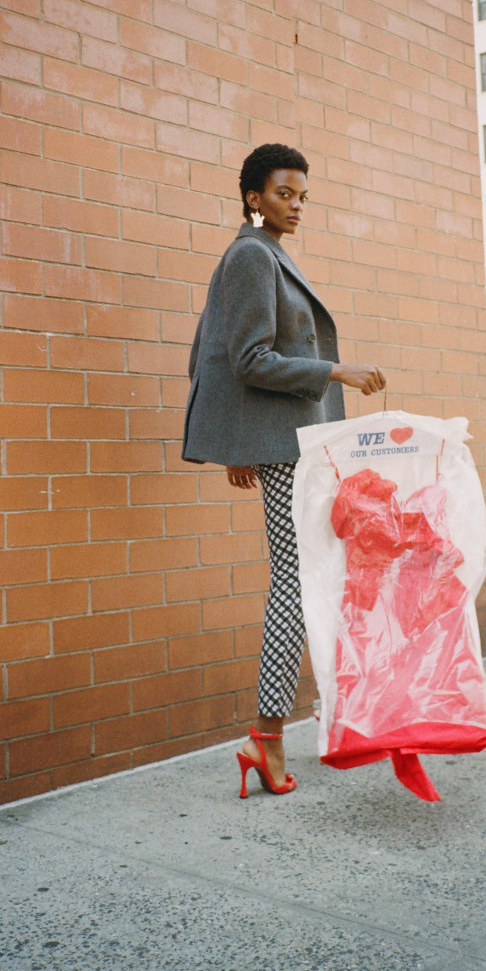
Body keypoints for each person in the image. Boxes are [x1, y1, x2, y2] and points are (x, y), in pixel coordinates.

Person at [182, 144, 386, 797]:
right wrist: (334, 369)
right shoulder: (250, 255)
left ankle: (286, 730)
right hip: (288, 448)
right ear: (252, 196)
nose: (296, 206)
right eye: (283, 194)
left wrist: (238, 440)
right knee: (295, 584)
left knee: (306, 578)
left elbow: (214, 345)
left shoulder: (266, 253)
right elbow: (245, 358)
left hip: (286, 444)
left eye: (302, 196)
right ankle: (266, 737)